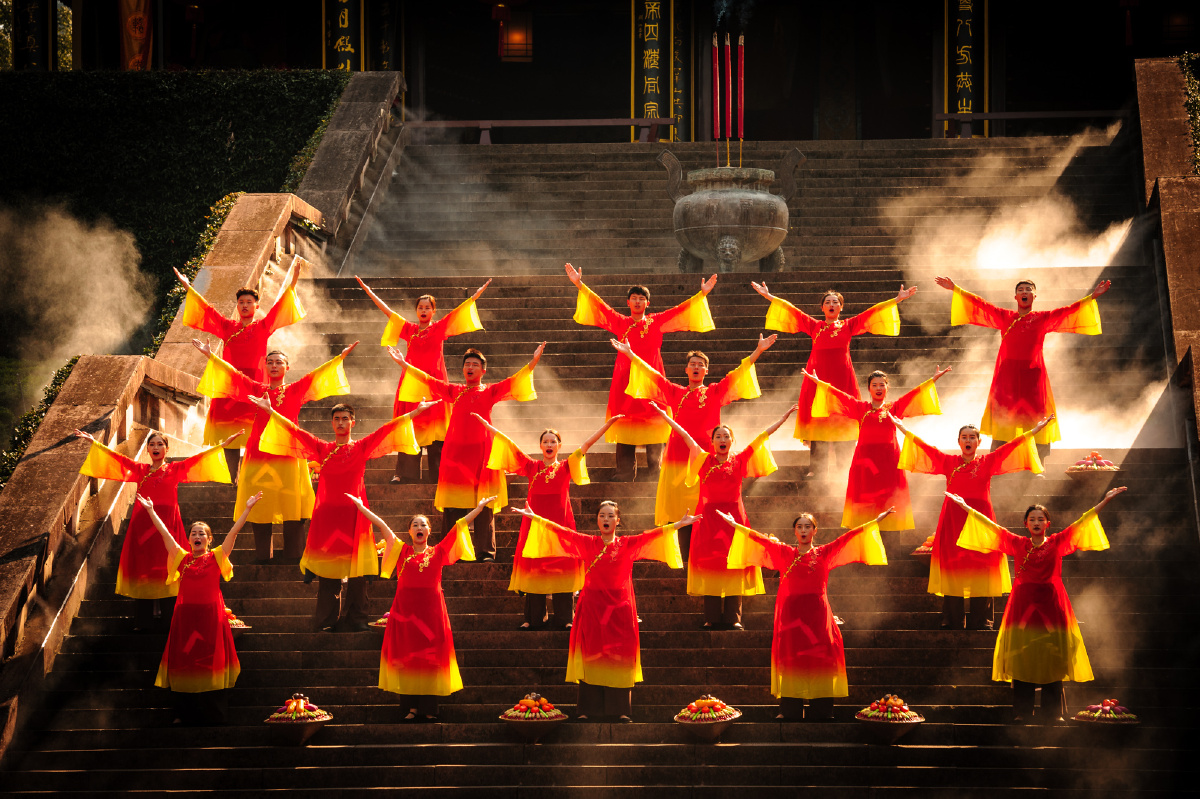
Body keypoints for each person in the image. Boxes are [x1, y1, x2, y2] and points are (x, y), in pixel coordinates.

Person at [250, 397, 436, 632]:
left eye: (345, 419)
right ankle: (326, 620)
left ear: (352, 423)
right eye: (336, 419)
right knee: (329, 570)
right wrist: (271, 412)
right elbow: (295, 432)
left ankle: (356, 618)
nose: (340, 423)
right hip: (328, 519)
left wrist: (414, 413)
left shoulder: (361, 447)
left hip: (356, 517)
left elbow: (386, 430)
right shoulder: (323, 449)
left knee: (358, 571)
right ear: (332, 423)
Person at [947, 487, 1126, 724]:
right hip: (1023, 607)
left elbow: (1082, 523)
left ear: (1048, 523)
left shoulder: (1058, 542)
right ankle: (1023, 711)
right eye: (1032, 519)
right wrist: (965, 507)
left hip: (1052, 605)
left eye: (1041, 519)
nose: (1036, 522)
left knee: (1053, 656)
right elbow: (991, 528)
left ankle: (1053, 712)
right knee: (1024, 656)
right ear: (1025, 524)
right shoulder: (1017, 543)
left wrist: (1104, 501)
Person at [510, 501, 694, 722]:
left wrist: (678, 525)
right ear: (597, 520)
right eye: (602, 516)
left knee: (619, 656)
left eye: (610, 516)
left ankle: (620, 709)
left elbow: (651, 536)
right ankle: (588, 709)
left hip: (620, 609)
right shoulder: (588, 543)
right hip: (593, 607)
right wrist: (536, 518)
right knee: (591, 655)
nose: (606, 519)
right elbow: (563, 533)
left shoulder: (627, 544)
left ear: (618, 520)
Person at [721, 506, 895, 721]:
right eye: (799, 527)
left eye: (807, 527)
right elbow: (760, 541)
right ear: (794, 531)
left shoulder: (825, 553)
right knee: (791, 657)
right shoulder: (785, 552)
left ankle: (822, 710)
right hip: (790, 615)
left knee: (820, 657)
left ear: (815, 531)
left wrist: (875, 521)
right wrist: (735, 525)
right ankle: (790, 709)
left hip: (818, 615)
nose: (803, 530)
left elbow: (847, 539)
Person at [192, 338, 356, 562]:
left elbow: (317, 375)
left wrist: (340, 357)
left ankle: (293, 557)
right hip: (258, 456)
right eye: (269, 362)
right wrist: (210, 356)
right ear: (265, 367)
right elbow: (234, 376)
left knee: (292, 504)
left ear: (287, 367)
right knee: (259, 504)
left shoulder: (295, 389)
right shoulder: (257, 389)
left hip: (289, 453)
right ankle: (262, 558)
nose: (274, 365)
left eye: (279, 362)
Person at [613, 333, 775, 558]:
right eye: (693, 365)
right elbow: (652, 376)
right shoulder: (675, 392)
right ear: (686, 370)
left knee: (705, 503)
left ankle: (705, 548)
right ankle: (680, 551)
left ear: (706, 371)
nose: (696, 368)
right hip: (676, 457)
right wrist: (631, 355)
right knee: (678, 505)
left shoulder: (715, 391)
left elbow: (737, 374)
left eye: (700, 365)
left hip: (705, 459)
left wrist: (758, 351)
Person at [892, 414, 1053, 630]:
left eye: (972, 437)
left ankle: (982, 620)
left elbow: (1011, 448)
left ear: (979, 441)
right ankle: (952, 619)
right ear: (958, 442)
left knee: (983, 565)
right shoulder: (949, 462)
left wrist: (1035, 430)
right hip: (953, 521)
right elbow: (926, 449)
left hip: (980, 520)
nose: (968, 441)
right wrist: (903, 429)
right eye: (964, 437)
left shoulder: (987, 462)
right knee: (954, 565)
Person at [389, 343, 545, 561]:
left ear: (483, 370)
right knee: (453, 505)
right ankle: (449, 551)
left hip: (483, 454)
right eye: (467, 364)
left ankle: (485, 552)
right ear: (463, 369)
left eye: (475, 364)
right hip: (455, 456)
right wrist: (404, 365)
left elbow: (514, 381)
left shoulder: (489, 391)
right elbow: (428, 381)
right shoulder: (455, 391)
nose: (470, 367)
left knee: (484, 505)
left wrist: (533, 362)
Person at [565, 261, 717, 481]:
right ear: (628, 302)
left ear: (647, 303)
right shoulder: (621, 322)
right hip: (625, 381)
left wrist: (701, 295)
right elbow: (601, 307)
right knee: (624, 420)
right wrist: (580, 285)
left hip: (653, 381)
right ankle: (625, 472)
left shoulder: (656, 321)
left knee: (656, 418)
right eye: (634, 298)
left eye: (641, 298)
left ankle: (656, 471)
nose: (637, 302)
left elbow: (679, 311)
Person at [347, 493, 493, 722]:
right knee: (408, 657)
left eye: (423, 524)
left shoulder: (439, 551)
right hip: (405, 614)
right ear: (409, 531)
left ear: (429, 531)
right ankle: (411, 707)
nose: (419, 527)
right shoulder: (401, 551)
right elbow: (381, 525)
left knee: (430, 658)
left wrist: (479, 508)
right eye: (415, 524)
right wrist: (360, 506)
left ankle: (429, 707)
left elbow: (460, 525)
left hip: (432, 614)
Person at [651, 402, 798, 630]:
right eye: (718, 436)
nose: (722, 439)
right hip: (708, 520)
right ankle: (711, 617)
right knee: (710, 565)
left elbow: (763, 436)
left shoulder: (739, 460)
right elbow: (685, 435)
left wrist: (784, 418)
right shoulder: (704, 460)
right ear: (712, 442)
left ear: (732, 441)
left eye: (726, 436)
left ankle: (733, 618)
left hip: (735, 520)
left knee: (735, 564)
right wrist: (664, 415)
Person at [74, 428, 236, 630]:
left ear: (167, 449)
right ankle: (143, 622)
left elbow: (197, 460)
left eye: (160, 444)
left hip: (168, 527)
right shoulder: (140, 470)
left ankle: (170, 620)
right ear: (147, 450)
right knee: (145, 569)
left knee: (169, 567)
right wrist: (95, 443)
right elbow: (119, 461)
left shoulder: (175, 469)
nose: (156, 447)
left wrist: (221, 446)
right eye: (152, 444)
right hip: (143, 527)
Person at [752, 281, 917, 478]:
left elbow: (871, 314)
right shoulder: (815, 326)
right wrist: (768, 296)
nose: (831, 305)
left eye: (835, 302)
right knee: (818, 418)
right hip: (817, 379)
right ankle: (817, 468)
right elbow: (793, 312)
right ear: (822, 308)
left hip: (842, 380)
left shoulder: (848, 325)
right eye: (828, 302)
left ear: (841, 307)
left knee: (844, 417)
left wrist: (897, 299)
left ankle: (844, 468)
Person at [933, 276, 1110, 460]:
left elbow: (1067, 312)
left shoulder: (1042, 318)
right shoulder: (1005, 316)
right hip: (1007, 376)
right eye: (1021, 290)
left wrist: (1092, 297)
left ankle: (1038, 463)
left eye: (1028, 290)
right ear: (1015, 297)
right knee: (1003, 416)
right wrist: (956, 289)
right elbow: (982, 305)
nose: (1024, 292)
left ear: (1034, 296)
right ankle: (998, 461)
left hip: (1033, 375)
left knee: (1036, 417)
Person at [474, 413, 620, 630]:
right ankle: (534, 618)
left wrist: (608, 424)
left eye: (553, 441)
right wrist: (487, 426)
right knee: (535, 568)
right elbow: (509, 444)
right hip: (534, 527)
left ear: (559, 445)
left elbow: (586, 445)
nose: (549, 445)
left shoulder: (566, 466)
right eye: (546, 441)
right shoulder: (532, 466)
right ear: (540, 446)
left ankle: (565, 618)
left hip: (561, 526)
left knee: (562, 568)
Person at [134, 491, 261, 725]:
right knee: (185, 663)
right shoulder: (181, 558)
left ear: (209, 539)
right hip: (185, 619)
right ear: (189, 539)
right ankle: (183, 713)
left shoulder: (216, 557)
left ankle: (214, 715)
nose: (197, 536)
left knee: (211, 663)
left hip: (211, 619)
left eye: (202, 533)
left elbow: (233, 533)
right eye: (193, 533)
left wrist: (247, 509)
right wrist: (151, 511)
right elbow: (165, 534)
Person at [357, 276, 491, 484]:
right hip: (412, 384)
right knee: (411, 425)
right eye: (420, 307)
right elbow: (388, 312)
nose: (423, 310)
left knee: (437, 430)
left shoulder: (439, 328)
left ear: (433, 311)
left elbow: (459, 313)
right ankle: (405, 474)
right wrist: (369, 292)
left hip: (435, 385)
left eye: (427, 307)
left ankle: (438, 473)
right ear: (416, 310)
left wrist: (476, 295)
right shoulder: (409, 330)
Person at [175, 262, 305, 477]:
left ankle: (258, 476)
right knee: (229, 430)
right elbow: (207, 311)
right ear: (237, 306)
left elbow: (280, 308)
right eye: (241, 302)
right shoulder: (228, 327)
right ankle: (232, 479)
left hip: (256, 385)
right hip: (230, 385)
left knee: (259, 428)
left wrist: (293, 282)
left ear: (256, 306)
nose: (244, 306)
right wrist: (188, 287)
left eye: (249, 302)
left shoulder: (263, 327)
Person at [801, 366, 949, 531]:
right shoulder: (861, 408)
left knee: (890, 496)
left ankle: (890, 529)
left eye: (882, 385)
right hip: (865, 461)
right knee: (865, 498)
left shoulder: (894, 408)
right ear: (869, 388)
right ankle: (866, 530)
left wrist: (933, 379)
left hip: (889, 461)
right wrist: (819, 383)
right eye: (875, 385)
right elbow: (840, 397)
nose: (878, 388)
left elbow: (913, 395)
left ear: (887, 387)